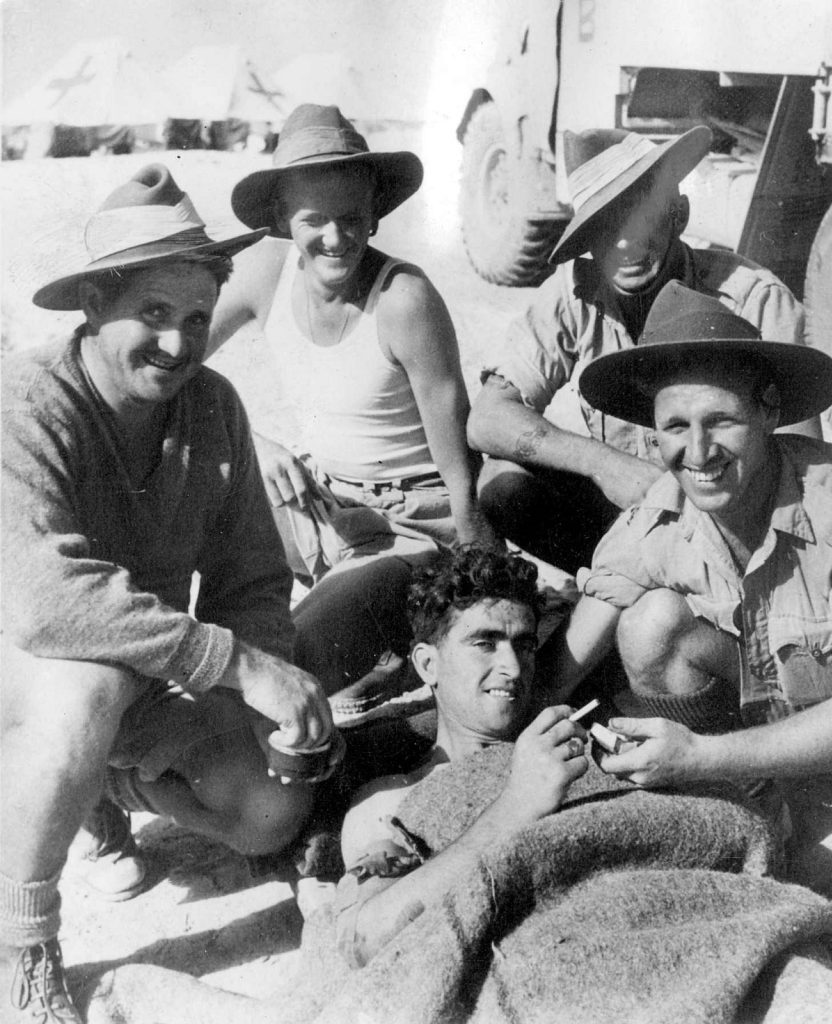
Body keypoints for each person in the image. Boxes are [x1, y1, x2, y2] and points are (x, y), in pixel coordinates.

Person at [0, 164, 338, 1024]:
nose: (178, 345)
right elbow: (45, 603)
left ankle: (94, 792)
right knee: (86, 686)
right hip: (27, 675)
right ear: (93, 304)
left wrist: (264, 696)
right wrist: (235, 665)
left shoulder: (212, 407)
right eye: (152, 313)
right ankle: (20, 946)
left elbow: (251, 578)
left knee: (270, 809)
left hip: (137, 673)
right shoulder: (27, 402)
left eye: (195, 318)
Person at [541, 281, 832, 802]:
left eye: (721, 421)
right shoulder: (655, 520)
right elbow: (556, 678)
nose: (698, 452)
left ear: (768, 412)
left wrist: (698, 756)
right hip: (771, 741)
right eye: (676, 426)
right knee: (650, 624)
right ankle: (747, 803)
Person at [467, 125, 818, 573]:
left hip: (732, 524)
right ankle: (622, 583)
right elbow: (487, 418)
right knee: (503, 483)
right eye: (602, 226)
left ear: (679, 216)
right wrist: (603, 464)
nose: (623, 243)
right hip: (632, 515)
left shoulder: (753, 299)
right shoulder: (576, 292)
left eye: (641, 218)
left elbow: (803, 464)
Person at [209, 103, 497, 579]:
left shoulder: (404, 298)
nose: (335, 238)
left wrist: (480, 582)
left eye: (351, 218)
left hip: (410, 519)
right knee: (198, 485)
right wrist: (254, 444)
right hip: (322, 500)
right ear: (281, 217)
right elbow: (175, 363)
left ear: (374, 214)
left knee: (323, 621)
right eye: (313, 220)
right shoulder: (264, 274)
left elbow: (461, 477)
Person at [334, 546, 588, 967]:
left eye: (525, 645)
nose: (513, 667)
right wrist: (516, 807)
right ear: (427, 664)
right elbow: (363, 940)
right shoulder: (390, 803)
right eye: (485, 643)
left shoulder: (566, 747)